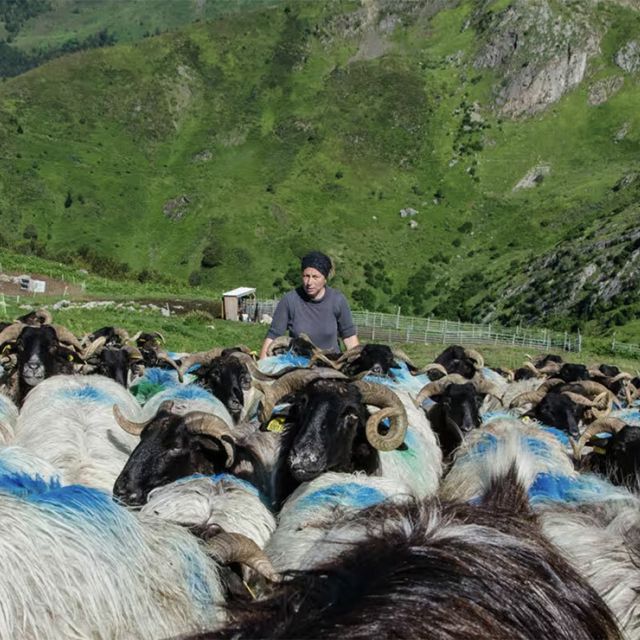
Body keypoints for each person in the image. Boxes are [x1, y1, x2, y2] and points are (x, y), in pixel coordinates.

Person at [259, 251, 360, 359]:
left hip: (330, 363)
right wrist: (262, 365)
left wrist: (359, 363)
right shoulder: (289, 300)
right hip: (298, 363)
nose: (309, 282)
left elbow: (349, 338)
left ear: (325, 279)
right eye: (306, 276)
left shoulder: (338, 300)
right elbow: (273, 336)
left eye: (315, 277)